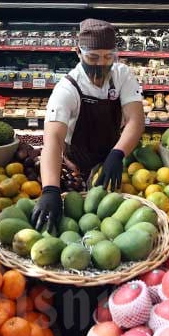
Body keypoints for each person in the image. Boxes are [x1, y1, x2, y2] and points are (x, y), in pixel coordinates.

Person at [31, 19, 145, 232]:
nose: (101, 63)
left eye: (108, 57)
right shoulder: (67, 88)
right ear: (78, 52)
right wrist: (50, 190)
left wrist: (117, 154)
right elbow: (53, 139)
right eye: (93, 57)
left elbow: (135, 120)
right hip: (77, 166)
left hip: (113, 164)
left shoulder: (122, 76)